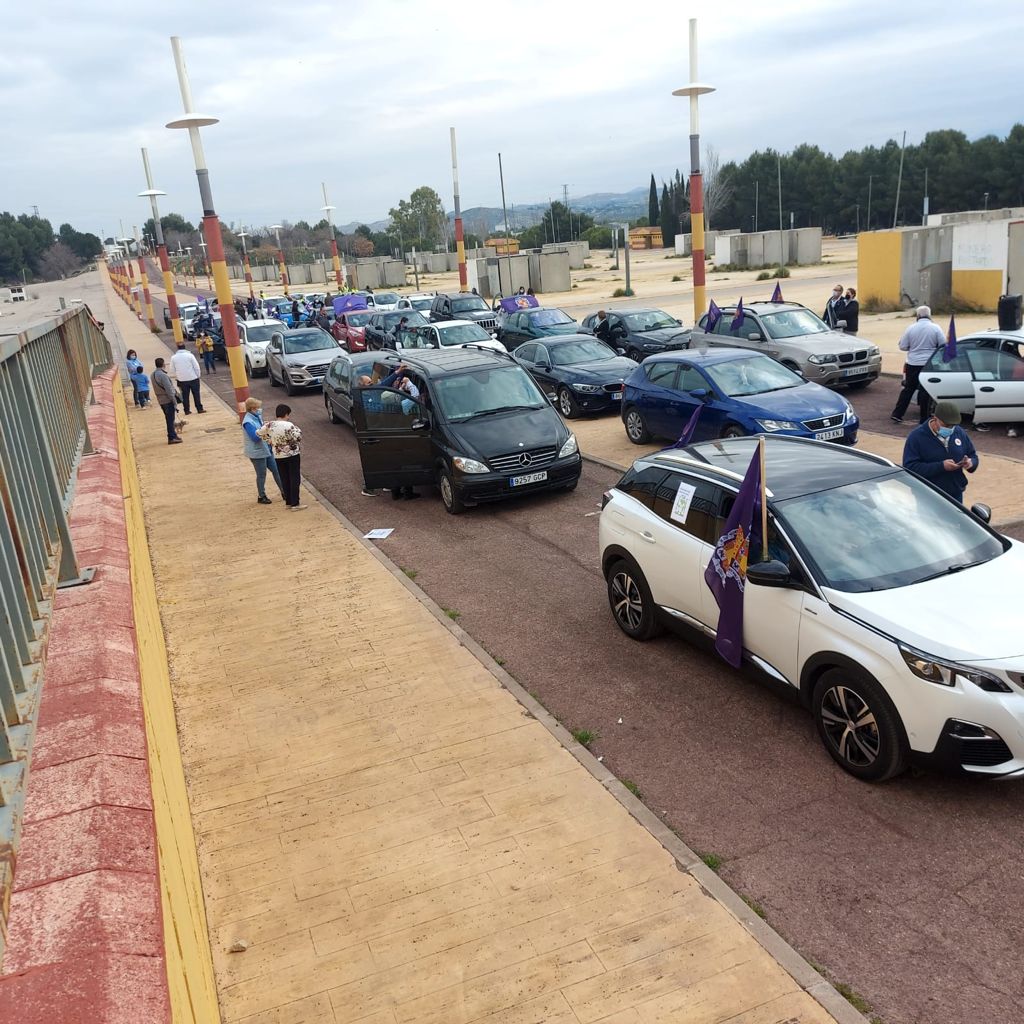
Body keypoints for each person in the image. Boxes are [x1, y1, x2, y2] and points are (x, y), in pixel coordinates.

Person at [903, 401, 979, 503]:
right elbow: (910, 467)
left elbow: (972, 454)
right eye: (946, 425)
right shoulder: (916, 437)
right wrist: (941, 466)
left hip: (955, 494)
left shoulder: (959, 432)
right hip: (928, 496)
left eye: (953, 425)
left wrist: (971, 463)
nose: (950, 428)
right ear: (935, 419)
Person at [891, 306, 944, 424]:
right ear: (930, 315)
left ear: (918, 316)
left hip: (913, 363)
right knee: (925, 391)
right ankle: (924, 418)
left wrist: (913, 347)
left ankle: (897, 414)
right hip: (928, 364)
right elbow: (943, 344)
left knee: (908, 389)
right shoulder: (936, 328)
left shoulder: (911, 328)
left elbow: (902, 346)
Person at [257, 404, 305, 509]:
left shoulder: (270, 425)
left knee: (284, 477)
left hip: (278, 455)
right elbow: (298, 436)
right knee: (294, 478)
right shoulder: (289, 425)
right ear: (286, 414)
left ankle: (288, 502)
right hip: (292, 454)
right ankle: (295, 503)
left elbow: (258, 433)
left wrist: (269, 440)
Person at [241, 397, 284, 505]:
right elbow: (255, 437)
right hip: (257, 452)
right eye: (256, 408)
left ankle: (284, 491)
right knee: (261, 474)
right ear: (252, 408)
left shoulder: (255, 416)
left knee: (276, 470)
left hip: (265, 448)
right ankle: (261, 495)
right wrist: (265, 429)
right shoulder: (248, 422)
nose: (259, 409)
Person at [152, 358, 182, 445]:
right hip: (167, 400)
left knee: (169, 418)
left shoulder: (153, 375)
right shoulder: (163, 375)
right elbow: (169, 390)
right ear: (163, 365)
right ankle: (171, 437)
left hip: (160, 400)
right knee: (170, 419)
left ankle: (173, 435)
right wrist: (174, 401)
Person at [170, 340, 206, 414]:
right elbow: (196, 367)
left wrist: (177, 376)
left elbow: (172, 369)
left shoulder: (173, 357)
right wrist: (198, 375)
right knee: (196, 394)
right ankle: (199, 408)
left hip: (182, 380)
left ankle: (186, 410)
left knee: (185, 396)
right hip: (193, 378)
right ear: (184, 347)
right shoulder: (190, 355)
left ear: (178, 348)